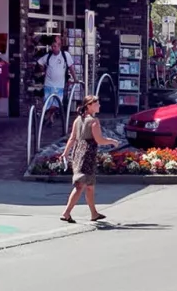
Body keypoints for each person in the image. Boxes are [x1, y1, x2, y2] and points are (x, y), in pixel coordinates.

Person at [61, 95, 118, 224]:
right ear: (89, 105)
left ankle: (94, 213)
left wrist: (65, 153)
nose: (99, 106)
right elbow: (99, 140)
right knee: (80, 185)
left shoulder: (78, 120)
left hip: (78, 153)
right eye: (97, 104)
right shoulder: (93, 121)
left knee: (90, 186)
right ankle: (66, 213)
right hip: (88, 154)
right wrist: (112, 141)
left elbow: (72, 138)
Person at [38, 40, 73, 107]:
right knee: (47, 104)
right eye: (52, 46)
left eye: (55, 46)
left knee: (57, 104)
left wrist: (75, 78)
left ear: (59, 46)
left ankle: (50, 115)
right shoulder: (48, 56)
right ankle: (49, 115)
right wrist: (44, 71)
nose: (53, 48)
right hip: (48, 84)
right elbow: (40, 62)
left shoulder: (65, 55)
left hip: (59, 85)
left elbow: (71, 67)